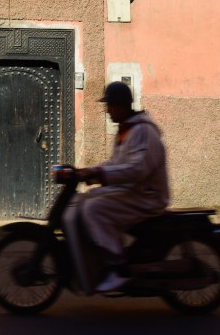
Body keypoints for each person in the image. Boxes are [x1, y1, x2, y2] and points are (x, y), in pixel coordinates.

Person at [74, 81, 171, 292]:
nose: (108, 111)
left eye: (110, 106)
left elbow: (137, 169)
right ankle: (103, 258)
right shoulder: (127, 130)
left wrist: (100, 174)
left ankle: (117, 267)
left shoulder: (143, 131)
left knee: (94, 208)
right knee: (88, 199)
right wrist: (91, 171)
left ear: (121, 105)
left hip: (147, 197)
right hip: (134, 192)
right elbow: (116, 163)